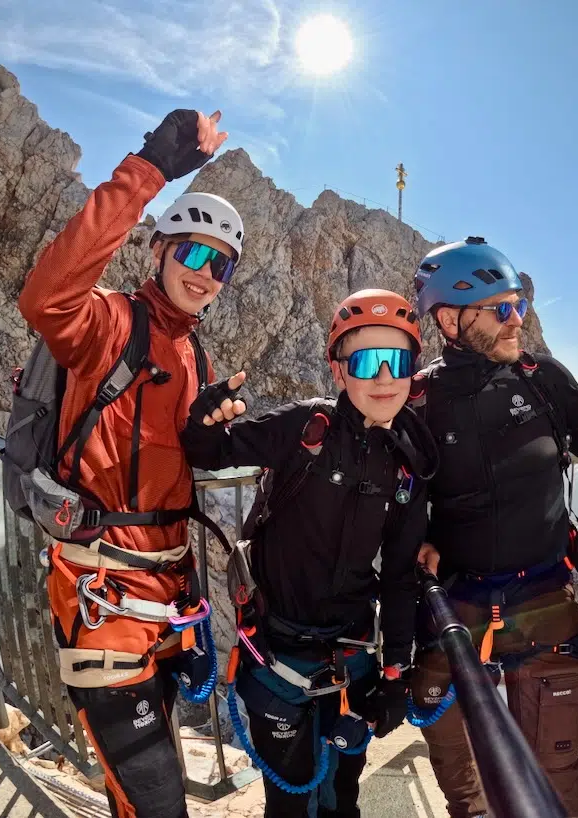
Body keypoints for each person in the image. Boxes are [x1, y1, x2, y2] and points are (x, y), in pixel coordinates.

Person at [18, 108, 243, 818]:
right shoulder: (110, 323)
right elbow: (46, 297)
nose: (206, 275)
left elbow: (174, 478)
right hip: (103, 601)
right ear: (160, 252)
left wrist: (212, 438)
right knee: (158, 803)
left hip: (169, 602)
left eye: (223, 265)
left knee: (135, 796)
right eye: (193, 254)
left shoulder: (195, 354)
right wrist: (148, 170)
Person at [181, 289, 439, 818]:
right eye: (368, 360)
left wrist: (395, 674)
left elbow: (397, 577)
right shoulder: (304, 429)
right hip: (278, 651)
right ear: (339, 371)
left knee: (345, 792)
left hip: (351, 656)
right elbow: (212, 451)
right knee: (289, 797)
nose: (385, 377)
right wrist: (201, 421)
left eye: (400, 361)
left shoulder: (409, 464)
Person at [408, 236, 578, 817]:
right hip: (459, 612)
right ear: (451, 320)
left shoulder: (543, 378)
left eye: (519, 306)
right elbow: (393, 493)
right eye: (500, 309)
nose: (516, 321)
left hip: (545, 606)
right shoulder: (420, 399)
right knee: (468, 789)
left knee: (552, 786)